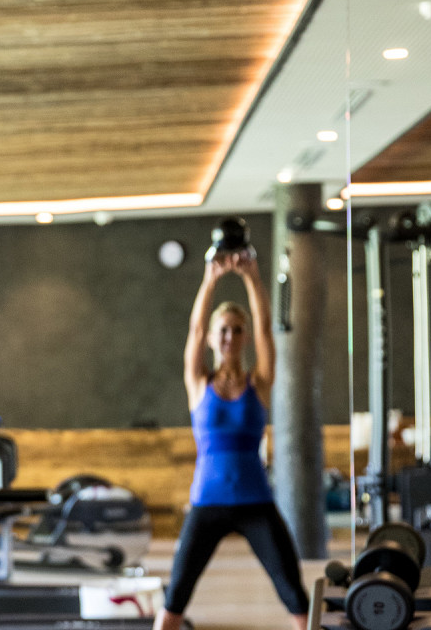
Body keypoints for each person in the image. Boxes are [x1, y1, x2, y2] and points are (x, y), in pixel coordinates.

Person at [154, 248, 309, 630]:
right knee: (176, 595)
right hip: (207, 502)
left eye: (237, 330)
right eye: (222, 329)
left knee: (293, 592)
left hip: (256, 501)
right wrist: (210, 279)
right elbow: (193, 328)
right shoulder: (198, 383)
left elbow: (265, 327)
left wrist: (252, 277)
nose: (230, 336)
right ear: (211, 337)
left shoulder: (259, 382)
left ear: (244, 338)